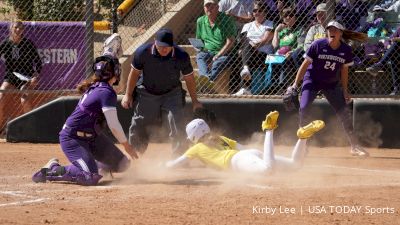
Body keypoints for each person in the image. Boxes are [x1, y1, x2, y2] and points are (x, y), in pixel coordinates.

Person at [32, 53, 138, 186]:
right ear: (116, 72)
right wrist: (126, 146)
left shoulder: (99, 87)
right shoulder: (105, 92)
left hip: (92, 138)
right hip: (73, 139)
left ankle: (94, 166)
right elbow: (114, 125)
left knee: (123, 164)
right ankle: (51, 170)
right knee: (89, 176)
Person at [290, 21, 369, 157]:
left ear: (340, 33)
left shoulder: (345, 50)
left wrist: (345, 90)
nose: (331, 32)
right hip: (312, 80)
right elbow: (304, 65)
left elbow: (344, 71)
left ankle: (354, 146)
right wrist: (295, 85)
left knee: (344, 113)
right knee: (304, 108)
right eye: (329, 29)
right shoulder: (317, 45)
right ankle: (303, 146)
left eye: (335, 30)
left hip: (331, 83)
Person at [121, 28, 202, 156]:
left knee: (177, 120)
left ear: (172, 44)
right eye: (160, 46)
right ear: (154, 42)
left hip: (172, 92)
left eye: (167, 47)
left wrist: (195, 101)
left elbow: (189, 78)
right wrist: (127, 95)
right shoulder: (143, 52)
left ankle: (179, 155)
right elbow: (134, 73)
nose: (163, 49)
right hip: (148, 91)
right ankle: (136, 153)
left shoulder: (181, 55)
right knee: (139, 121)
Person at [165, 111, 325, 174]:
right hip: (248, 155)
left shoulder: (197, 148)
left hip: (237, 161)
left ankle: (269, 129)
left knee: (267, 170)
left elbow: (176, 164)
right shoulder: (220, 138)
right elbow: (244, 148)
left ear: (193, 136)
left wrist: (162, 166)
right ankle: (303, 137)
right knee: (295, 165)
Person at [0, 21, 42, 130]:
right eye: (16, 27)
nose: (18, 30)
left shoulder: (28, 43)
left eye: (21, 28)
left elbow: (38, 61)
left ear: (23, 30)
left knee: (24, 100)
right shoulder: (5, 43)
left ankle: (31, 129)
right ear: (11, 29)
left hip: (26, 76)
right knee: (1, 96)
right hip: (11, 76)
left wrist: (35, 76)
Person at [234, 1, 274, 95]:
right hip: (249, 52)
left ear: (265, 12)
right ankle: (246, 70)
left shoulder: (269, 24)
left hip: (263, 55)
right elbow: (242, 40)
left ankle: (245, 87)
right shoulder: (247, 25)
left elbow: (265, 40)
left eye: (259, 10)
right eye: (254, 10)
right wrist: (249, 45)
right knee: (244, 48)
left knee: (247, 47)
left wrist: (253, 44)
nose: (256, 13)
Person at [196, 0, 237, 82]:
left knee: (217, 63)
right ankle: (206, 79)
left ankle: (207, 82)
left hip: (225, 52)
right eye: (207, 6)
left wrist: (218, 55)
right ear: (204, 8)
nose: (209, 8)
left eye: (212, 6)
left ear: (218, 7)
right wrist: (198, 48)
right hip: (207, 51)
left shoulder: (226, 20)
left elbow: (231, 42)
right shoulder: (200, 21)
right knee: (200, 56)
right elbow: (198, 39)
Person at [366, 26, 400, 95]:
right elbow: (389, 39)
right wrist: (388, 45)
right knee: (393, 55)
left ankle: (379, 65)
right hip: (397, 52)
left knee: (396, 44)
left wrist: (398, 39)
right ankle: (397, 89)